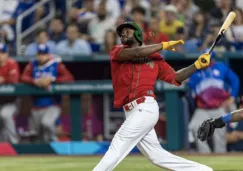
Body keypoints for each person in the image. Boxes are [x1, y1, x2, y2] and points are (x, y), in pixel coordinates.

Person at [93, 21, 213, 171]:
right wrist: (163, 45)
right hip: (131, 111)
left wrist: (196, 65)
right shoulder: (118, 51)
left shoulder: (155, 59)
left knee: (120, 141)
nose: (122, 33)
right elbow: (137, 52)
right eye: (121, 32)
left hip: (145, 107)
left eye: (127, 30)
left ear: (137, 33)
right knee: (157, 156)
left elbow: (176, 78)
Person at [188, 50, 239, 153]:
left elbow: (235, 80)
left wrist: (232, 96)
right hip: (202, 109)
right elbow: (189, 86)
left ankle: (221, 161)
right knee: (194, 127)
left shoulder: (221, 67)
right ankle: (205, 155)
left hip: (219, 107)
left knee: (219, 134)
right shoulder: (196, 72)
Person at [21, 44, 74, 142]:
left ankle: (55, 144)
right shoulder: (33, 64)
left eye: (44, 54)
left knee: (47, 123)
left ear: (48, 54)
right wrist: (35, 81)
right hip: (36, 106)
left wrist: (52, 79)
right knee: (37, 135)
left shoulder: (55, 63)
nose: (41, 56)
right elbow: (23, 77)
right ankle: (45, 153)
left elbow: (69, 78)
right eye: (39, 54)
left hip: (53, 104)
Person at [0, 43, 19, 143]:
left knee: (5, 115)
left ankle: (14, 142)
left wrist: (4, 79)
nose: (0, 55)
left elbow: (14, 80)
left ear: (7, 54)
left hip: (11, 101)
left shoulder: (12, 63)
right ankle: (2, 146)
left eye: (2, 53)